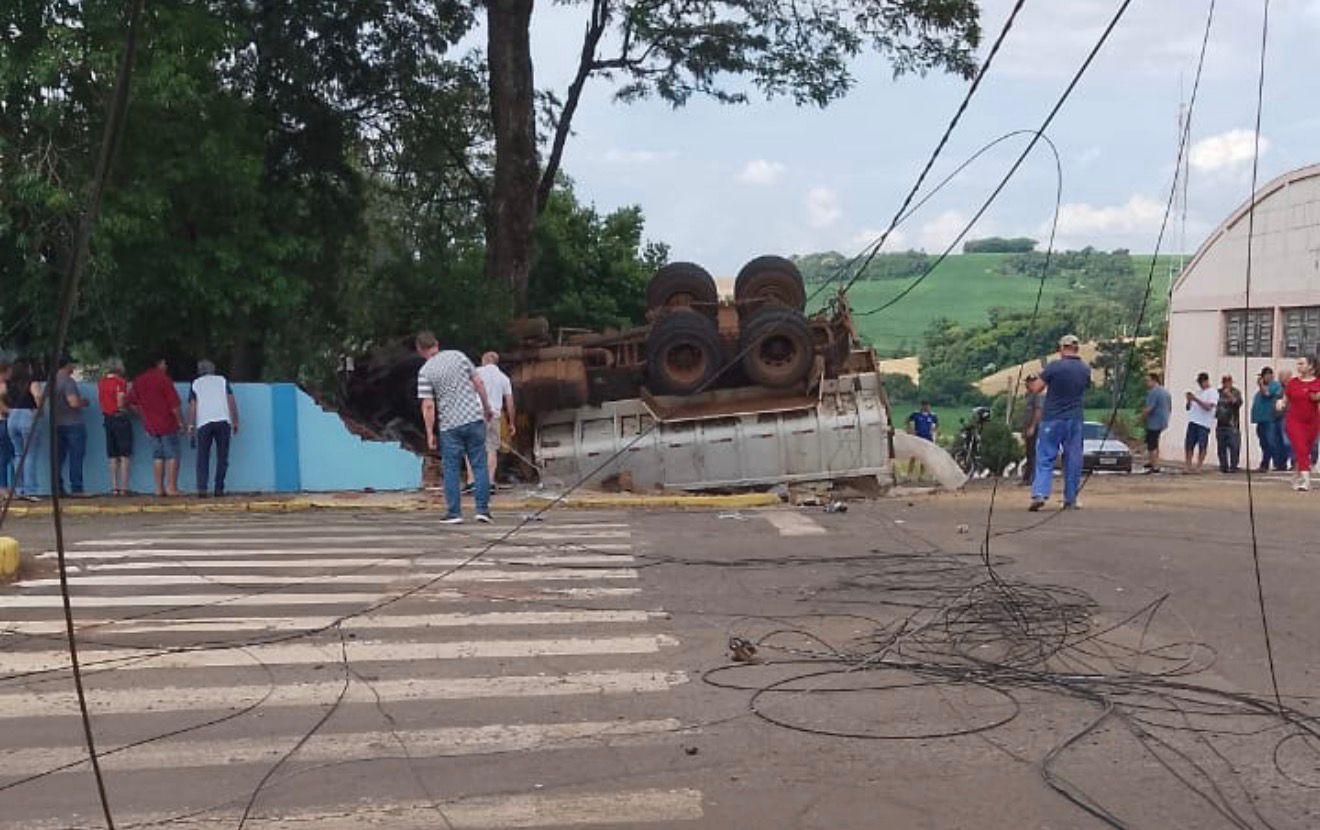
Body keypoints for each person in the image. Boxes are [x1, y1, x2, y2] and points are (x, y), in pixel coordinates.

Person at [416, 332, 494, 524]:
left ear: (420, 350)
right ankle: (482, 510)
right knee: (479, 465)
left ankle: (454, 513)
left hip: (450, 425)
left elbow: (428, 405)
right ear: (437, 344)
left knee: (451, 468)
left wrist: (429, 433)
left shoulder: (425, 372)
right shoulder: (459, 356)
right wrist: (486, 408)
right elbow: (479, 383)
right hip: (473, 418)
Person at [1030, 334, 1092, 511]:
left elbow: (1037, 388)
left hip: (1052, 418)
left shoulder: (1054, 367)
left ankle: (1040, 494)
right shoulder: (1084, 369)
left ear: (1061, 348)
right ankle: (1070, 499)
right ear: (1076, 348)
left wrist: (1034, 380)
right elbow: (1085, 387)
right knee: (1073, 459)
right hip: (1075, 419)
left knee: (1045, 457)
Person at [127, 357, 184, 497]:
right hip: (167, 423)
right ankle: (171, 487)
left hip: (150, 425)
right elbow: (174, 404)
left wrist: (143, 414)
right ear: (158, 364)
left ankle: (158, 488)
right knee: (172, 455)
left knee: (158, 456)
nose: (166, 365)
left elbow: (130, 401)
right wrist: (180, 422)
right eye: (164, 363)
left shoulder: (138, 381)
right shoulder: (163, 379)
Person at [188, 360, 239, 497]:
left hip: (204, 423)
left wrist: (191, 425)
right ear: (213, 369)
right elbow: (231, 400)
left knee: (202, 456)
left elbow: (193, 406)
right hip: (223, 421)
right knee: (222, 456)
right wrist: (235, 420)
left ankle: (202, 489)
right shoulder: (222, 380)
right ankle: (219, 488)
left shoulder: (196, 384)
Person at [471, 352, 515, 489]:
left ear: (484, 360)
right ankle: (489, 482)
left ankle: (472, 481)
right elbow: (510, 402)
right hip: (495, 416)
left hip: (476, 415)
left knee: (472, 448)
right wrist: (511, 422)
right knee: (491, 450)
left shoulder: (476, 372)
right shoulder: (504, 378)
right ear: (496, 362)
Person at [1279, 354, 1320, 491]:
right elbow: (1285, 399)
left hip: (1312, 422)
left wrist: (1316, 397)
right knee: (1301, 448)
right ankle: (1306, 481)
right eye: (1298, 364)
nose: (1299, 366)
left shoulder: (1317, 383)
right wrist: (1280, 404)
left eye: (1302, 363)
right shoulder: (1293, 382)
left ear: (1311, 366)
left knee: (1304, 451)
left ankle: (1297, 474)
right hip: (1294, 421)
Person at [3, 360, 43, 500]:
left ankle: (19, 489)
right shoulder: (32, 381)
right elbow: (38, 395)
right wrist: (40, 410)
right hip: (28, 414)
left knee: (18, 454)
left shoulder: (9, 383)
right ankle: (31, 490)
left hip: (13, 416)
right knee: (30, 453)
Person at [51, 355, 89, 496]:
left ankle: (58, 488)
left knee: (58, 458)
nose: (74, 367)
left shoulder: (52, 382)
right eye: (73, 364)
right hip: (73, 424)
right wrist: (83, 402)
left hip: (57, 423)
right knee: (76, 457)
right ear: (67, 365)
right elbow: (73, 403)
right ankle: (77, 488)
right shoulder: (68, 382)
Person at [98, 358, 133, 495]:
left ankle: (114, 486)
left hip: (107, 419)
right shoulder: (120, 382)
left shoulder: (101, 383)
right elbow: (120, 400)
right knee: (124, 455)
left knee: (112, 455)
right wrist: (125, 409)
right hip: (120, 418)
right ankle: (124, 487)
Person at [1250, 367, 1287, 472]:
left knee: (1272, 442)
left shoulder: (1275, 385)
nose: (1266, 377)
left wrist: (1261, 385)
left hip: (1270, 419)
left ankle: (1279, 463)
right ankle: (1264, 464)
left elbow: (1267, 394)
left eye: (1268, 374)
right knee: (1264, 443)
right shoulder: (1261, 389)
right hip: (1261, 420)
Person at [1183, 372, 1217, 473]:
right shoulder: (1198, 392)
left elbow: (1208, 407)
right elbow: (1188, 408)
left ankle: (1199, 466)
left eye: (1201, 382)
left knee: (1202, 445)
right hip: (1193, 420)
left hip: (1204, 423)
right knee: (1189, 444)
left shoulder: (1212, 392)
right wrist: (1189, 400)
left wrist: (1196, 399)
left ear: (1206, 381)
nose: (1200, 385)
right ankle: (1188, 465)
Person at [1141, 372, 1172, 473]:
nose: (1146, 383)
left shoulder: (1153, 392)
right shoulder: (1165, 392)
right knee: (1155, 442)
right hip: (1163, 420)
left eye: (1148, 381)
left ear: (1154, 381)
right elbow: (1170, 407)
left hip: (1154, 421)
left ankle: (1154, 465)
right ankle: (1153, 462)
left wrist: (1142, 416)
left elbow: (1150, 407)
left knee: (1152, 443)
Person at [1214, 374, 1243, 474]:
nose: (1226, 384)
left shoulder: (1236, 392)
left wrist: (1229, 395)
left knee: (1234, 447)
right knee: (1221, 447)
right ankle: (1223, 467)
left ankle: (1233, 466)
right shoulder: (1218, 393)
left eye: (1228, 382)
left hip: (1232, 424)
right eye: (1224, 382)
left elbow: (1237, 403)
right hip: (1220, 424)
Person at [1019, 375, 1044, 485]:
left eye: (1029, 382)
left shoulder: (1036, 395)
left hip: (1034, 427)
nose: (1027, 384)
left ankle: (1031, 478)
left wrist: (1033, 427)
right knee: (1029, 453)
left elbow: (1038, 411)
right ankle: (1027, 477)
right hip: (1027, 427)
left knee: (1032, 453)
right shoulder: (1028, 395)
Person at [0, 361, 12, 498]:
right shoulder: (3, 387)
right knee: (8, 455)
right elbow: (3, 407)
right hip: (3, 421)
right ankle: (6, 487)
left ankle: (3, 486)